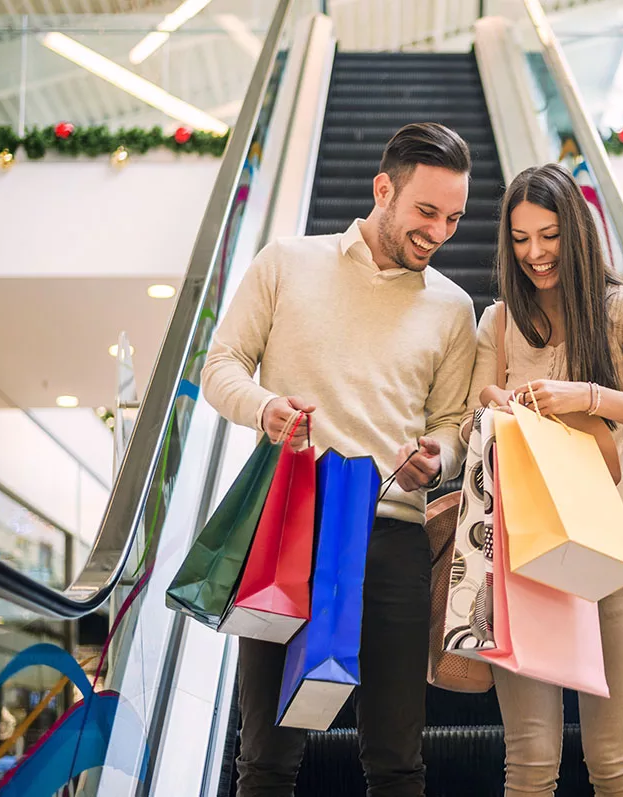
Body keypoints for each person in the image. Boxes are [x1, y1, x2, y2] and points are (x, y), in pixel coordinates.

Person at [201, 122, 478, 797]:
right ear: (384, 188)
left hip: (394, 537)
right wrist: (265, 408)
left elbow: (451, 425)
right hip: (290, 524)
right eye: (425, 211)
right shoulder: (284, 262)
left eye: (454, 217)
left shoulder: (453, 308)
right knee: (265, 757)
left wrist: (436, 456)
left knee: (397, 760)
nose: (440, 231)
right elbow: (222, 365)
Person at [463, 163, 623, 796]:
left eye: (550, 235)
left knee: (614, 759)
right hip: (520, 551)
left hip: (611, 545)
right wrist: (489, 410)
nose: (535, 253)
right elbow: (465, 435)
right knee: (530, 760)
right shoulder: (499, 322)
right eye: (521, 238)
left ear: (578, 234)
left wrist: (585, 395)